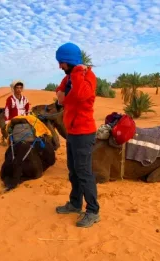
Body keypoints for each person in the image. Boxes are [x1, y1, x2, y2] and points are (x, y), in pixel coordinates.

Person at [54, 42, 100, 228]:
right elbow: (59, 93)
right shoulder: (68, 78)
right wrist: (63, 94)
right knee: (73, 171)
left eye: (62, 62)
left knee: (84, 173)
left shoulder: (87, 77)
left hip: (84, 132)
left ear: (71, 61)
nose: (60, 66)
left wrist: (75, 75)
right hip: (71, 132)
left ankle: (93, 211)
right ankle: (75, 203)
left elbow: (80, 96)